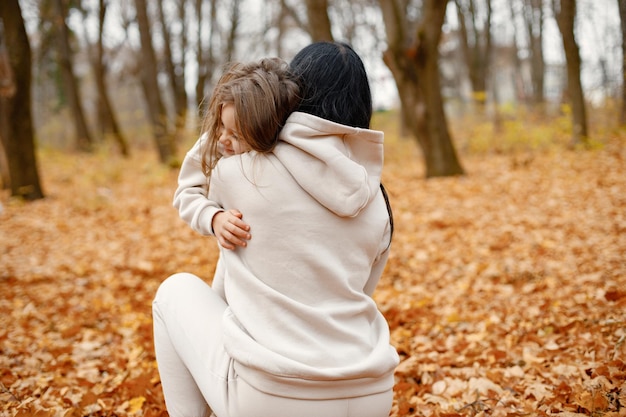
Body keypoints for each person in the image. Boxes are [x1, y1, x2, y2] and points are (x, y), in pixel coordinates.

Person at [153, 42, 399, 417]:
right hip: (372, 392)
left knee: (174, 292)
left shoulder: (241, 171)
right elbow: (358, 292)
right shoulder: (376, 201)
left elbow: (190, 184)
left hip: (276, 395)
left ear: (291, 97)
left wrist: (234, 114)